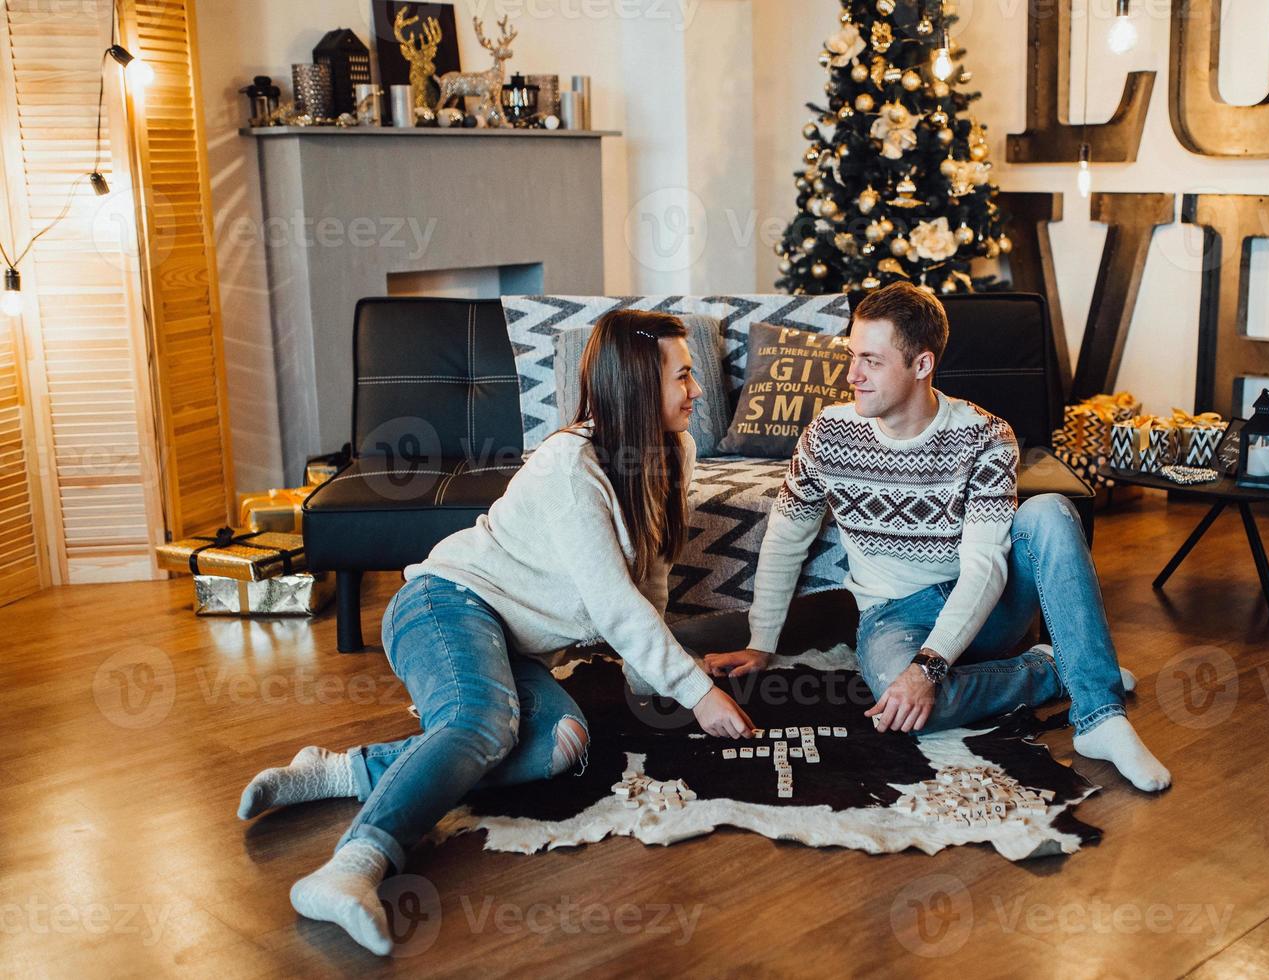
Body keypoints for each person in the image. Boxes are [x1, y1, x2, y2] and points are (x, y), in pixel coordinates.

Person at [237, 310, 752, 955]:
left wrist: (676, 678)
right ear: (637, 386)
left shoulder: (673, 452)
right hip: (444, 602)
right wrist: (699, 697)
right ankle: (353, 867)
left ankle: (341, 771)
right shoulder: (571, 467)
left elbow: (649, 582)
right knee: (482, 722)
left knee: (561, 744)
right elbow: (614, 603)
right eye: (683, 376)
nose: (696, 390)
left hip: (512, 642)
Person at [707, 283, 1170, 793]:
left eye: (871, 361)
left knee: (1050, 512)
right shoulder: (826, 435)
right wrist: (761, 642)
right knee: (900, 703)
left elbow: (985, 567)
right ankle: (1058, 668)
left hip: (988, 605)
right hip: (892, 612)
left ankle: (1099, 717)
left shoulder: (985, 435)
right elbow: (785, 537)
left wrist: (930, 667)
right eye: (852, 356)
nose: (852, 375)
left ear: (922, 365)